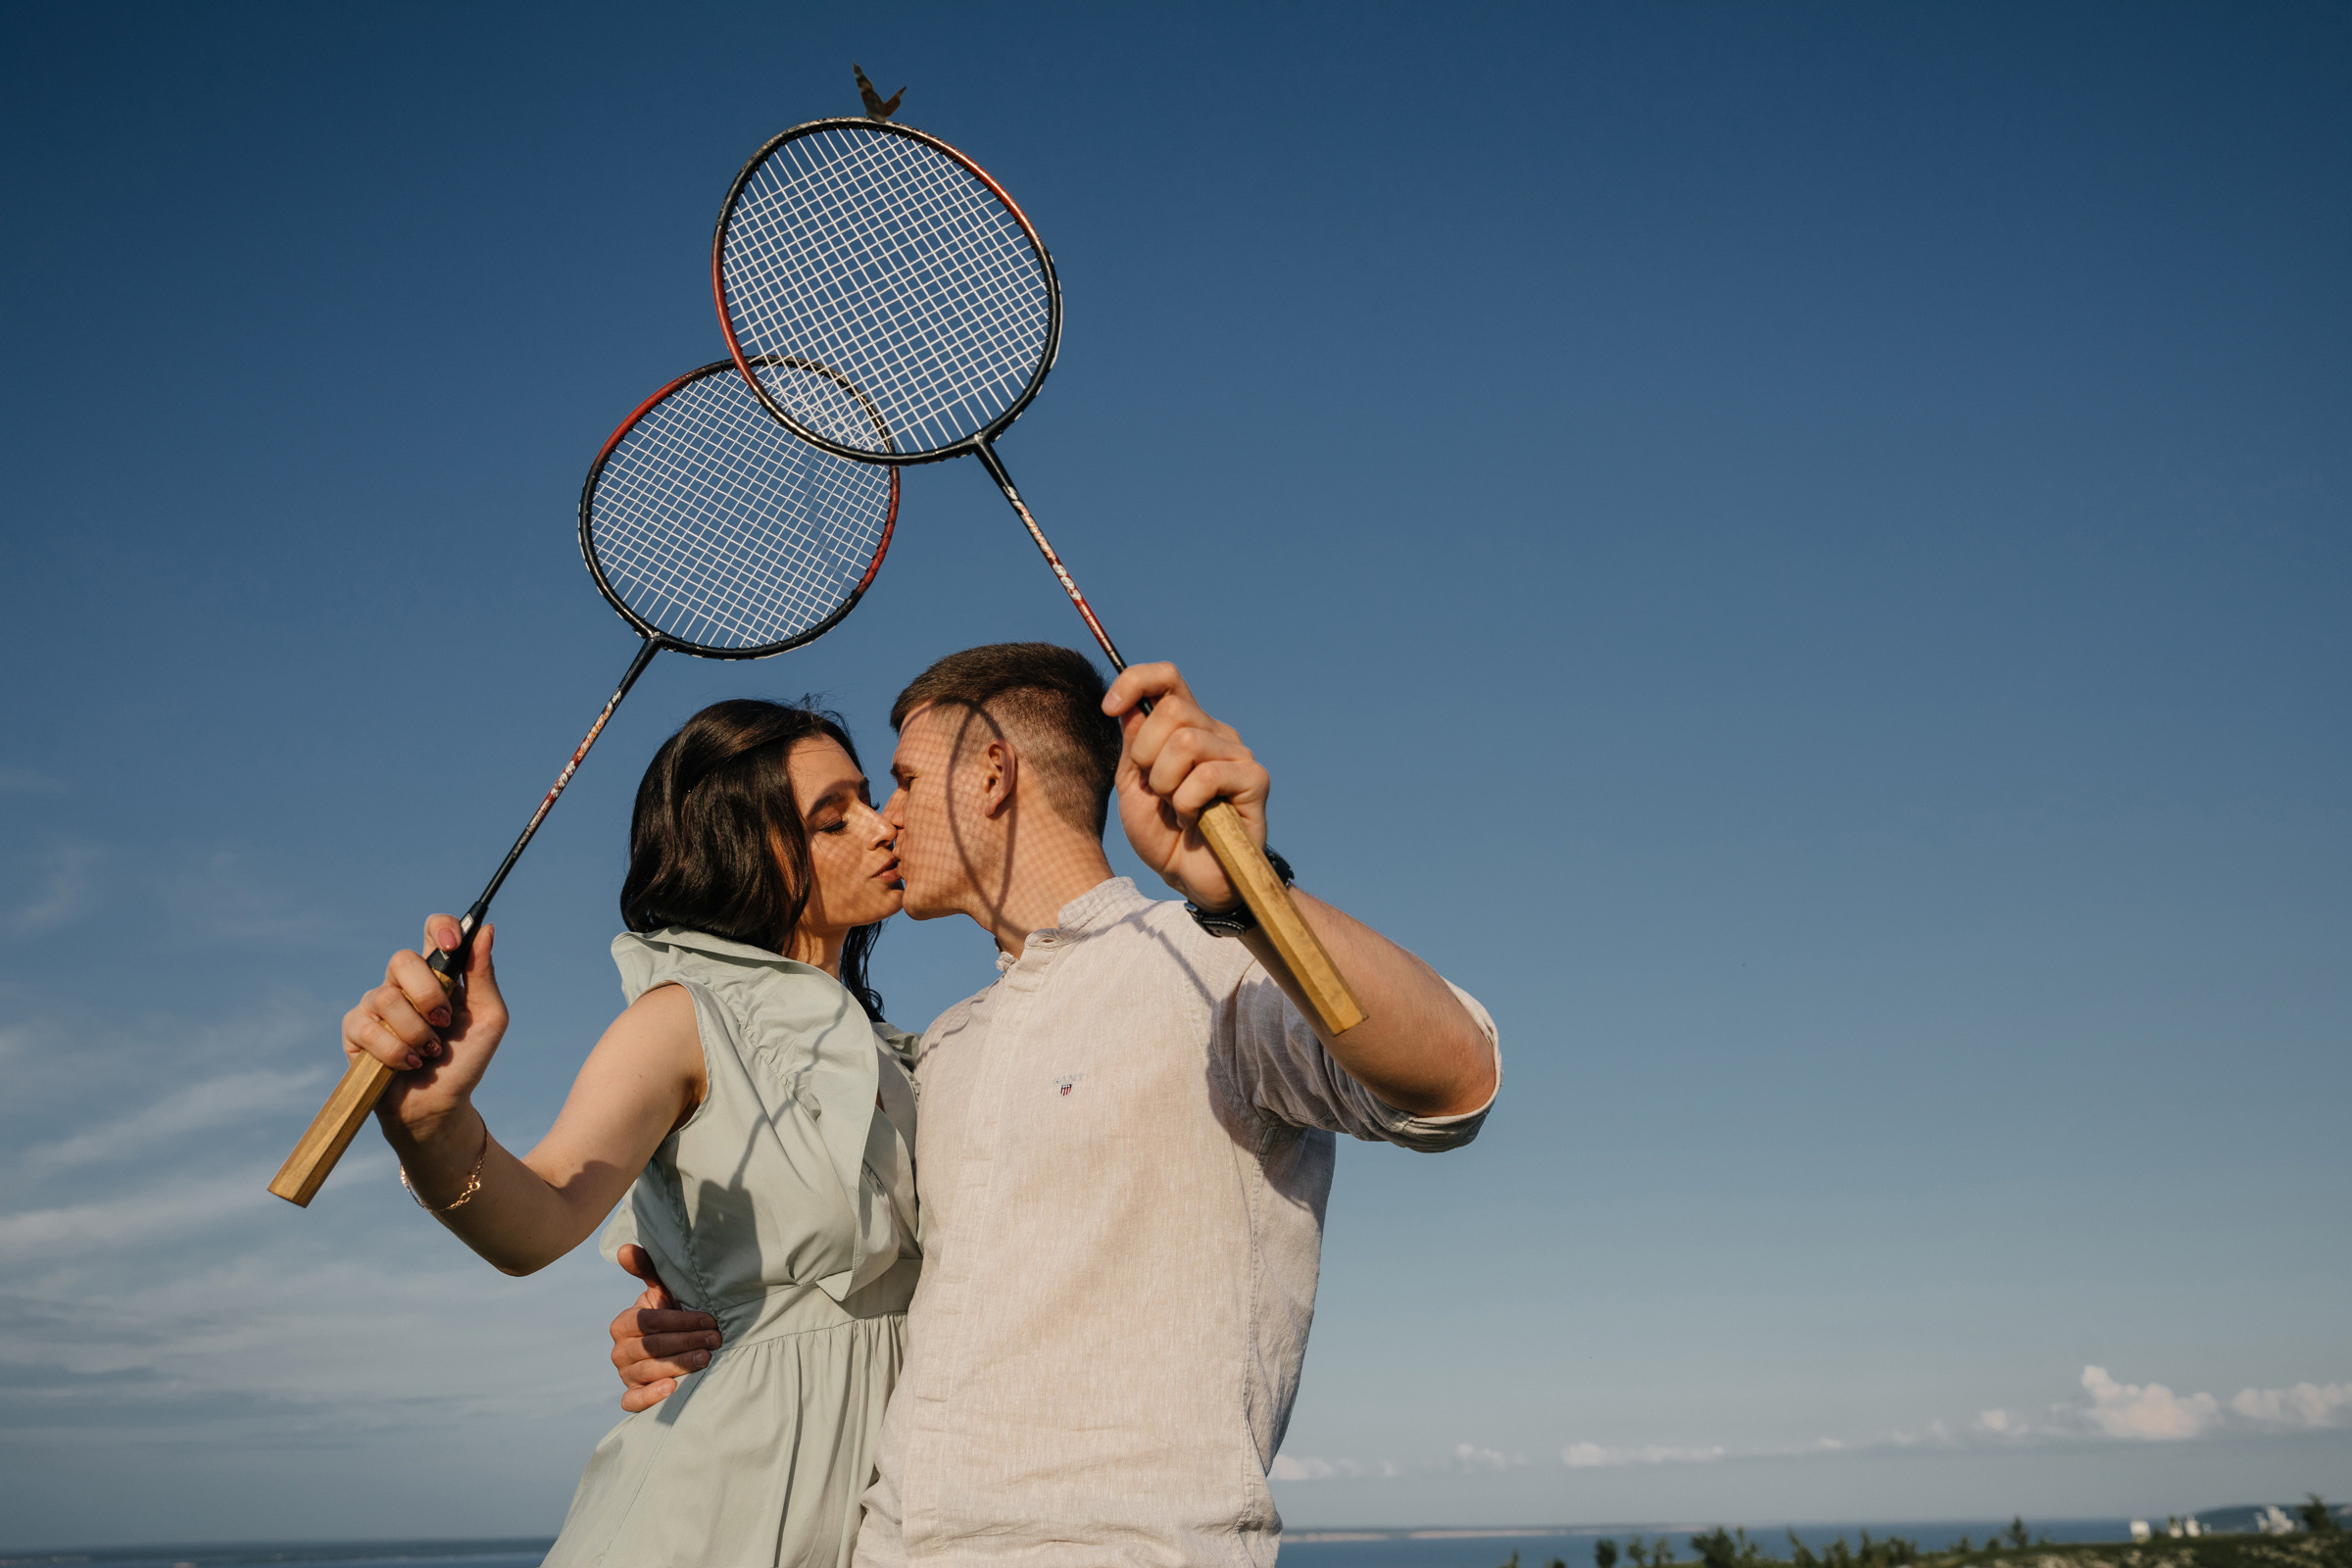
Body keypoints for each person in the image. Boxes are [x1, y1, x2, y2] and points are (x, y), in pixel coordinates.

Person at [611, 646, 1500, 1567]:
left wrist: (1246, 895)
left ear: (991, 775)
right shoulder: (941, 1049)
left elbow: (1456, 1080)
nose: (889, 820)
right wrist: (697, 1319)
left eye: (907, 782)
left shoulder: (1206, 962)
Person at [341, 700, 921, 1568]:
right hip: (717, 1512)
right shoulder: (680, 1019)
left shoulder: (899, 1058)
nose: (884, 829)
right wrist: (430, 1126)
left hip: (885, 1519)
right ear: (743, 849)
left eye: (870, 799)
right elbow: (539, 1214)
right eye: (833, 817)